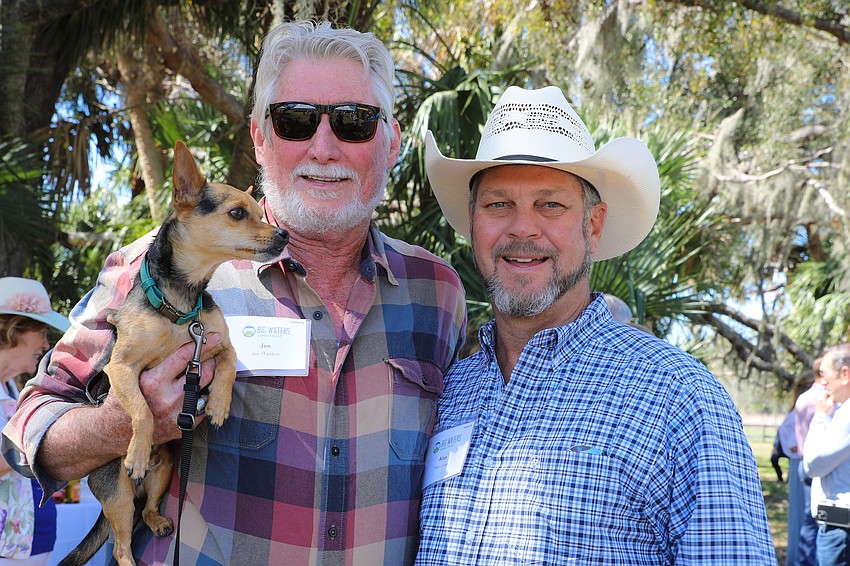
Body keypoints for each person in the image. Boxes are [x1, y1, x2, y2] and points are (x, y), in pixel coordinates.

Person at [2, 21, 466, 566]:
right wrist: (122, 421)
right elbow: (28, 426)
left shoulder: (437, 294)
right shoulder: (158, 269)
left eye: (354, 122)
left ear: (390, 143)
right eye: (295, 121)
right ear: (260, 138)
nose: (323, 147)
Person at [415, 85, 776, 564]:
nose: (522, 228)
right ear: (473, 220)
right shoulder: (452, 388)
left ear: (595, 224)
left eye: (551, 205)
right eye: (499, 204)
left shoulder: (678, 398)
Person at [0, 277, 69, 565]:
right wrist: (48, 438)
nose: (45, 343)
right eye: (41, 331)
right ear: (12, 330)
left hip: (26, 540)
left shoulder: (11, 386)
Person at [803, 344, 850, 566]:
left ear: (844, 374)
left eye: (824, 374)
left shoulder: (847, 415)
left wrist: (820, 416)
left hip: (841, 527)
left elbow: (813, 464)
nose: (822, 383)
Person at [795, 355, 826, 565]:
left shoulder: (803, 397)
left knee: (808, 519)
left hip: (802, 461)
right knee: (821, 520)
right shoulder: (824, 399)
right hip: (819, 465)